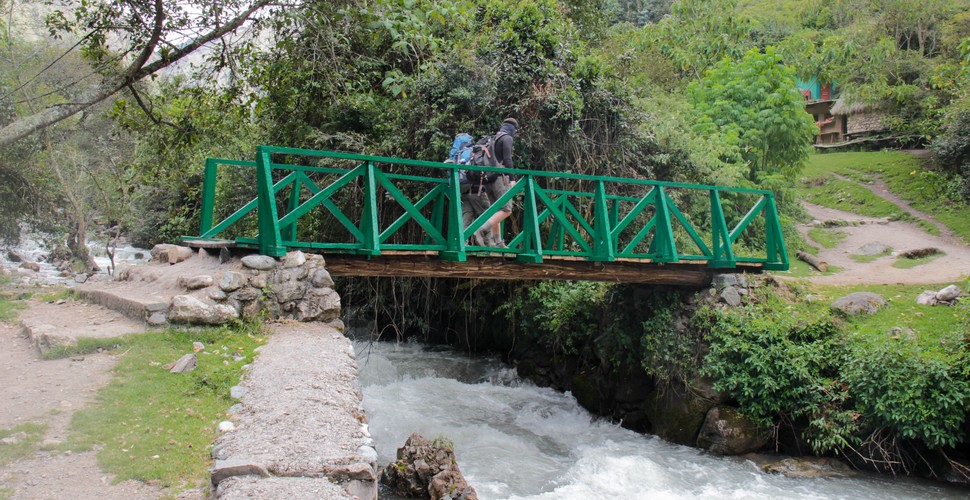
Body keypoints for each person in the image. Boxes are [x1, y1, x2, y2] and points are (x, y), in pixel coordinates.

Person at [474, 117, 518, 247]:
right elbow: (507, 159)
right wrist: (512, 179)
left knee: (496, 210)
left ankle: (498, 241)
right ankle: (481, 229)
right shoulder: (507, 138)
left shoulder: (492, 139)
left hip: (488, 179)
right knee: (506, 209)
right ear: (513, 129)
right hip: (500, 177)